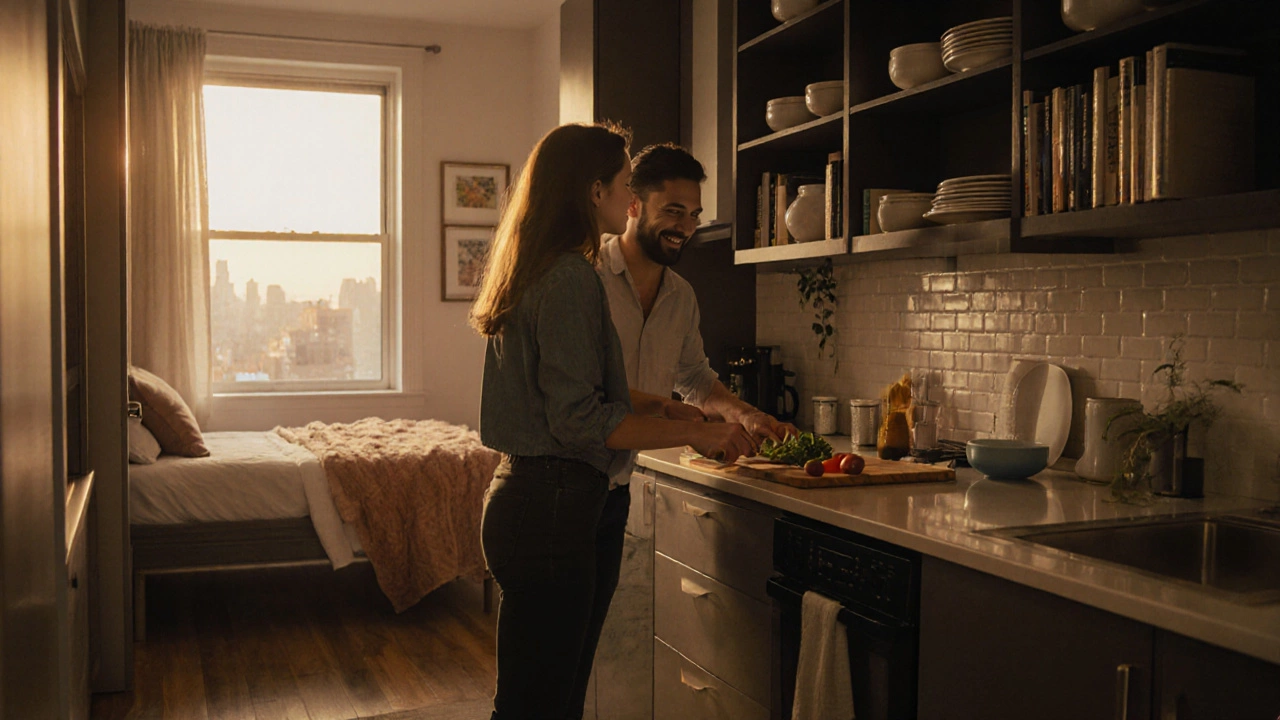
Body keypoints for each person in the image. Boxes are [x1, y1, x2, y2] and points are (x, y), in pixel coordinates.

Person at [470, 122, 757, 720]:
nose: (629, 197)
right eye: (626, 184)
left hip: (540, 500)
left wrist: (661, 405)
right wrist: (697, 431)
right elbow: (578, 419)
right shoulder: (575, 276)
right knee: (542, 705)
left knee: (539, 702)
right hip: (551, 503)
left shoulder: (542, 264)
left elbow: (565, 388)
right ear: (594, 190)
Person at [597, 142, 799, 450]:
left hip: (629, 475)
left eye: (694, 214)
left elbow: (696, 381)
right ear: (632, 205)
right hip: (575, 477)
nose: (687, 227)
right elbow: (584, 394)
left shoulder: (681, 296)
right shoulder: (589, 277)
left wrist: (749, 415)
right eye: (673, 211)